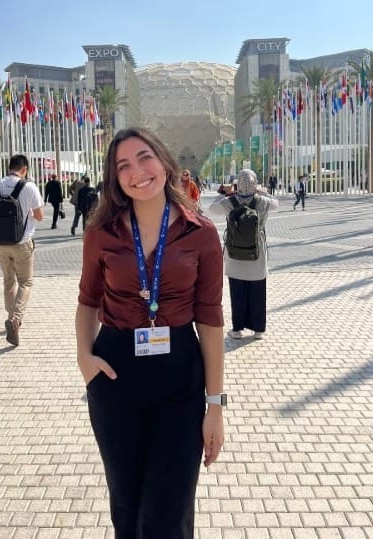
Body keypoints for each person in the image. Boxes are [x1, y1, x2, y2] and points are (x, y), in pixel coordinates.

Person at [75, 127, 225, 538]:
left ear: (164, 161)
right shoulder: (102, 232)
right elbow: (88, 300)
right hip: (115, 374)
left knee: (167, 513)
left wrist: (215, 406)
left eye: (144, 158)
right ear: (114, 177)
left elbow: (210, 320)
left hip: (180, 379)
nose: (137, 172)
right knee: (126, 507)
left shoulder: (201, 233)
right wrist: (84, 358)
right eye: (123, 165)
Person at [0, 154, 44, 347]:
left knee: (9, 281)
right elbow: (40, 217)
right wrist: (30, 213)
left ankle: (10, 316)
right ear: (24, 169)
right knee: (25, 282)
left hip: (0, 244)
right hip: (22, 243)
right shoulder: (29, 187)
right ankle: (15, 319)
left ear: (10, 167)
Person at [210, 168, 278, 340]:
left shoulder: (229, 202)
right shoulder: (262, 201)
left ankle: (238, 329)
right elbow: (276, 203)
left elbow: (212, 209)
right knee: (258, 292)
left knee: (237, 292)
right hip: (257, 253)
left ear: (237, 184)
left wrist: (222, 193)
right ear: (254, 183)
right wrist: (262, 191)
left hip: (235, 253)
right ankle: (259, 330)